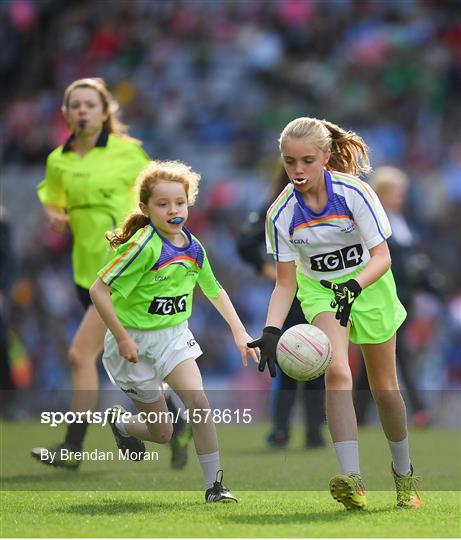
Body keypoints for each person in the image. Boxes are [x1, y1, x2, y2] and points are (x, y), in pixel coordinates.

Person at [248, 117, 422, 510]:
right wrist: (272, 329)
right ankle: (353, 479)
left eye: (307, 160)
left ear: (326, 157)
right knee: (338, 372)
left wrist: (355, 286)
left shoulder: (355, 192)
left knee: (385, 388)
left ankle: (405, 475)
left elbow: (382, 257)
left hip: (369, 286)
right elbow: (285, 283)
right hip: (322, 293)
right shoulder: (280, 214)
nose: (297, 170)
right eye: (289, 161)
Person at [31, 78, 190, 470]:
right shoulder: (59, 160)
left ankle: (72, 447)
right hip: (85, 273)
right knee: (135, 359)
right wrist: (53, 214)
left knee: (79, 354)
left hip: (121, 272)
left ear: (105, 112)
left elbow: (160, 196)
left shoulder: (128, 154)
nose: (83, 111)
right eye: (76, 105)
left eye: (90, 104)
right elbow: (53, 201)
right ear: (66, 114)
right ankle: (174, 418)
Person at [89, 159, 258, 502]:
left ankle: (215, 486)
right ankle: (122, 424)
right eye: (162, 204)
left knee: (198, 401)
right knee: (163, 433)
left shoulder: (194, 247)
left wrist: (240, 332)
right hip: (132, 344)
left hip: (173, 337)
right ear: (146, 208)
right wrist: (121, 336)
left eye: (179, 202)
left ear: (189, 202)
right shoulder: (141, 247)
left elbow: (215, 290)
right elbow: (98, 290)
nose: (173, 210)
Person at [237, 161, 325, 450]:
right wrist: (270, 271)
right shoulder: (277, 205)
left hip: (317, 292)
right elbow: (245, 243)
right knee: (289, 360)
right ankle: (283, 429)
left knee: (318, 360)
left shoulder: (324, 205)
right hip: (289, 295)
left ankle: (313, 430)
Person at [355, 166, 435, 427]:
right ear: (382, 193)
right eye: (395, 191)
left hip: (405, 298)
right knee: (398, 355)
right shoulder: (378, 222)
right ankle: (420, 409)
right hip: (385, 297)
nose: (400, 196)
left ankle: (357, 413)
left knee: (379, 359)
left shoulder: (402, 222)